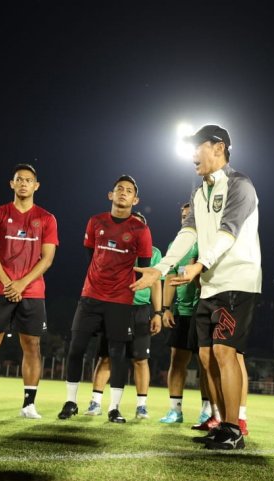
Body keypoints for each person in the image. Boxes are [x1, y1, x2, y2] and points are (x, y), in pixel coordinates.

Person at [132, 124, 261, 450]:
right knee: (205, 359)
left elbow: (228, 232)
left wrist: (200, 265)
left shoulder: (240, 185)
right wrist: (160, 269)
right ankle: (221, 422)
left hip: (237, 281)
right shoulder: (200, 193)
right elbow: (187, 235)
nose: (192, 155)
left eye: (197, 147)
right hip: (208, 286)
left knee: (223, 352)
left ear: (218, 148)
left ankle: (235, 428)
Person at [58, 175, 158, 424]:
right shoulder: (96, 221)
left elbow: (144, 268)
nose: (123, 193)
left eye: (129, 191)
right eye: (119, 189)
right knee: (76, 349)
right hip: (91, 296)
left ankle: (114, 408)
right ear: (110, 195)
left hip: (121, 300)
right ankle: (71, 402)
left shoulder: (141, 229)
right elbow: (91, 253)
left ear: (136, 199)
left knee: (117, 354)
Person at [0, 164, 58, 419]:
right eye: (19, 179)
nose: (24, 184)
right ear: (12, 184)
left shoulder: (47, 218)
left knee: (32, 346)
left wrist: (21, 284)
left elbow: (47, 258)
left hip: (32, 291)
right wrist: (9, 282)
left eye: (29, 180)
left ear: (36, 186)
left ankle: (29, 405)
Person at [88, 224, 162, 420]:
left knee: (140, 359)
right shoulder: (114, 247)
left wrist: (158, 313)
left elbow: (156, 283)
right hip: (115, 307)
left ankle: (141, 406)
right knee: (107, 356)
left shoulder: (153, 253)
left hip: (140, 310)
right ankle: (95, 402)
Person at [158, 202, 216, 428]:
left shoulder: (208, 242)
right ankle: (175, 410)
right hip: (180, 312)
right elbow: (170, 278)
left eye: (189, 215)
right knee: (177, 360)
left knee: (205, 363)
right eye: (182, 216)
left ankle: (207, 410)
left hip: (202, 310)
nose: (185, 219)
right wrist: (165, 309)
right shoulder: (176, 244)